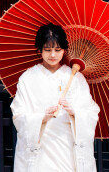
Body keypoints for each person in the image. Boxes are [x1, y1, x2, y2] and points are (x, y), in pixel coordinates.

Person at [11, 24, 100, 172]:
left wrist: (74, 112)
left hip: (66, 144)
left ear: (64, 50)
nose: (53, 55)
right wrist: (41, 118)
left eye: (57, 50)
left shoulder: (75, 78)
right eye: (47, 50)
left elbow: (91, 112)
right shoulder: (28, 78)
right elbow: (19, 115)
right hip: (40, 144)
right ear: (39, 50)